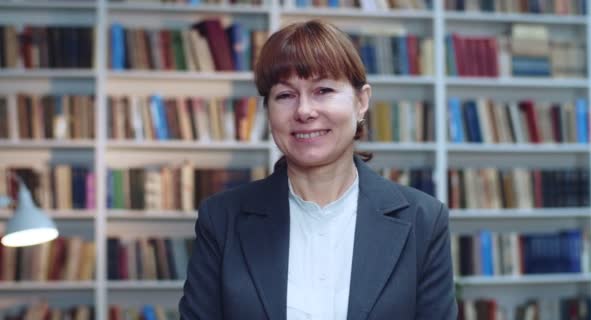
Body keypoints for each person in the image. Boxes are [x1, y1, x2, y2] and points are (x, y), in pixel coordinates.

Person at [179, 19, 457, 320]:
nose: (304, 111)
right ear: (268, 111)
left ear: (361, 102)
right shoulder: (222, 219)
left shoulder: (423, 220)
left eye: (323, 90)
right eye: (285, 95)